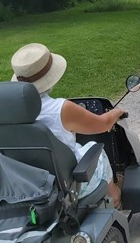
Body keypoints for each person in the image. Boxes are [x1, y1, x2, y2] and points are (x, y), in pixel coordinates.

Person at [10, 43, 125, 208]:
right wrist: (116, 112)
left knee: (76, 146)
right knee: (95, 149)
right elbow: (103, 125)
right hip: (65, 187)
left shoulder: (7, 111)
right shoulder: (60, 109)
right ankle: (115, 197)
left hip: (23, 184)